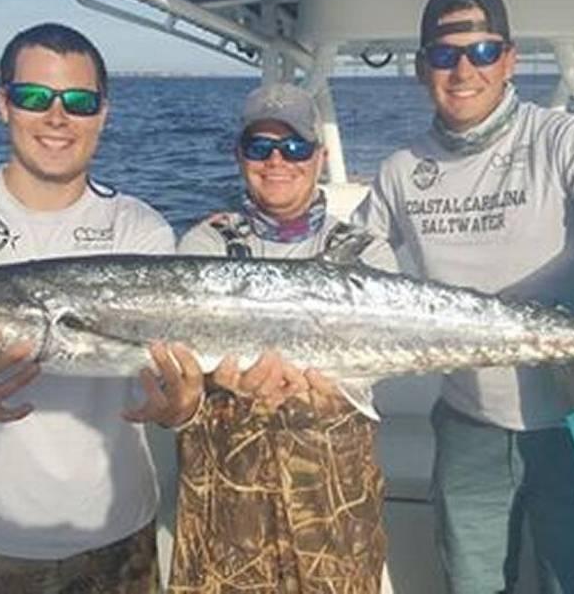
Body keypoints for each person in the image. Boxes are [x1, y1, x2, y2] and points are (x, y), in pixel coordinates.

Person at [351, 0, 574, 594]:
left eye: (483, 51)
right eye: (444, 54)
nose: (464, 69)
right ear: (420, 68)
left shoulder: (566, 139)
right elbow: (352, 273)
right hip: (467, 424)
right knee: (472, 584)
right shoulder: (400, 171)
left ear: (510, 59)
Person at [0, 23, 188, 593]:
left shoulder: (139, 227)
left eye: (79, 101)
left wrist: (180, 408)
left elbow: (165, 377)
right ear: (2, 104)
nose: (57, 116)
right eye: (33, 97)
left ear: (103, 113)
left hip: (122, 531)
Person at [163, 83, 399, 593]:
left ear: (321, 156)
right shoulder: (205, 244)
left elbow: (371, 370)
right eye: (260, 147)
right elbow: (183, 386)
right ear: (239, 156)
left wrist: (330, 390)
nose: (277, 161)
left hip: (334, 518)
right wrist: (201, 393)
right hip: (225, 521)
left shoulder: (364, 252)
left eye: (294, 148)